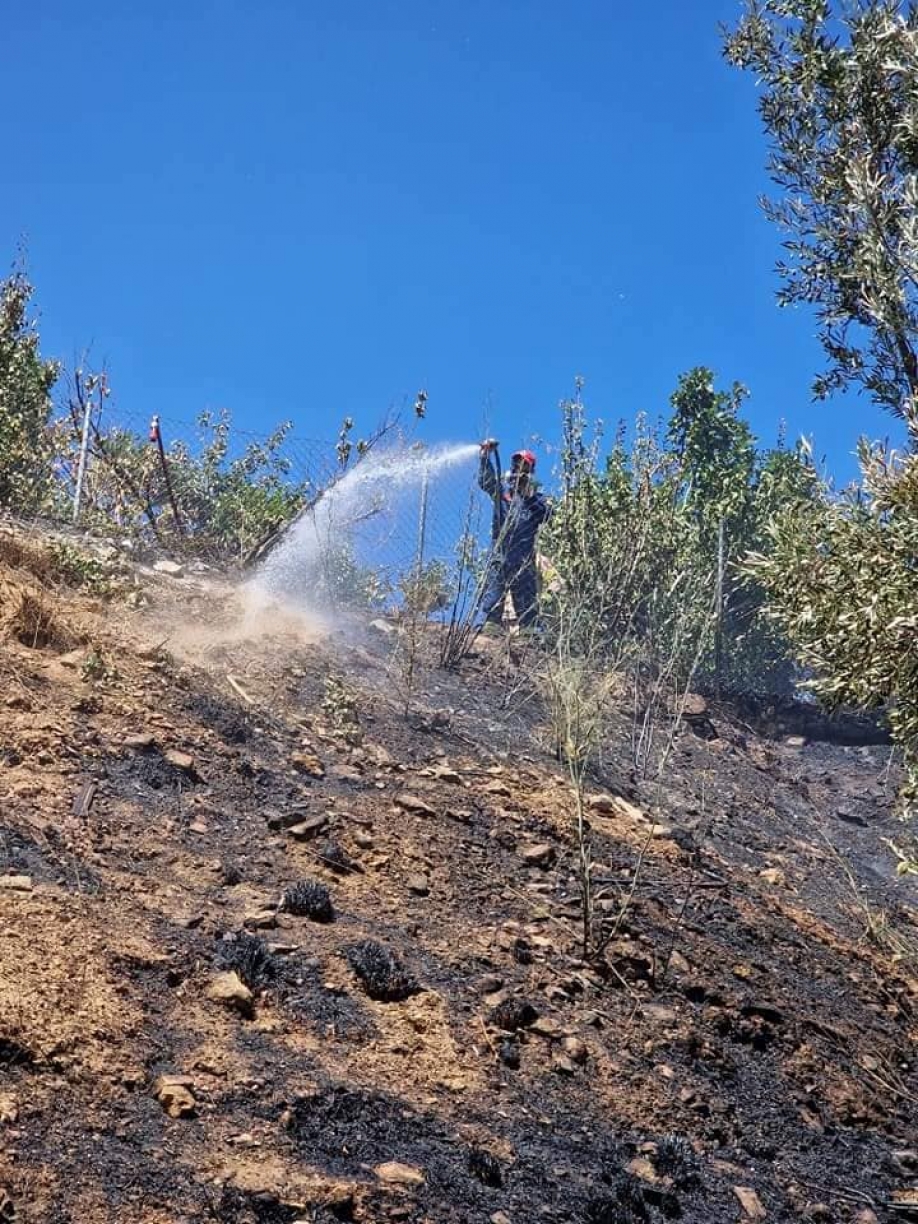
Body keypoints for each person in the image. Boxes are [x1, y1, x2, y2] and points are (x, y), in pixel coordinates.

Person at [475, 441, 552, 634]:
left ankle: (530, 634)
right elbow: (486, 481)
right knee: (493, 592)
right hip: (500, 552)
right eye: (517, 465)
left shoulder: (537, 500)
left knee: (526, 597)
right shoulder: (502, 493)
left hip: (523, 557)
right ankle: (490, 628)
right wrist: (485, 456)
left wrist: (531, 496)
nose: (519, 470)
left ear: (531, 471)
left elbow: (549, 514)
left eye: (524, 467)